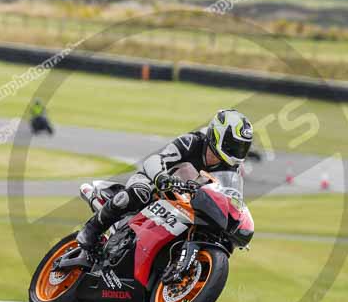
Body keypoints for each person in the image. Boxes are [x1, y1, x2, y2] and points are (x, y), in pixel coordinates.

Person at [76, 109, 253, 259]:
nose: (237, 151)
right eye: (233, 144)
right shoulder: (193, 141)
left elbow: (232, 200)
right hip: (157, 187)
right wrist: (161, 177)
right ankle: (91, 230)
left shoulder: (232, 170)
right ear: (218, 135)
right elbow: (155, 159)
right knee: (140, 191)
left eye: (242, 147)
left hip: (186, 206)